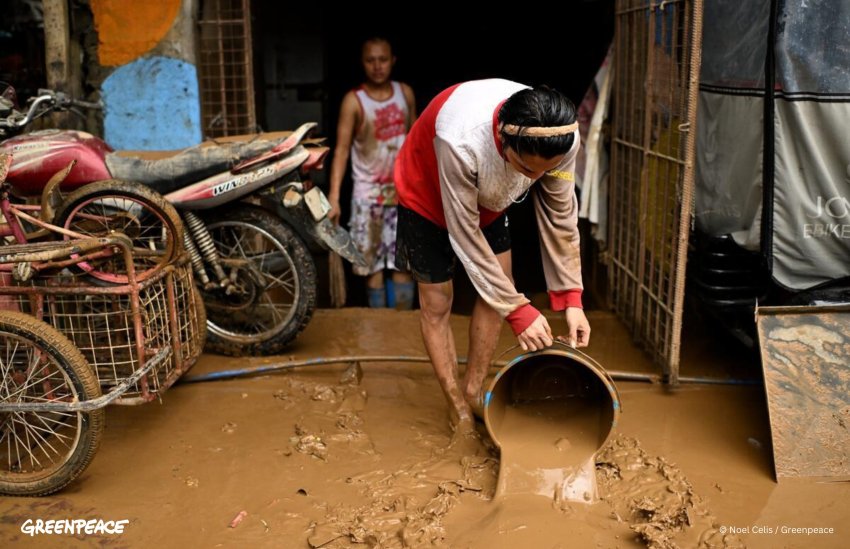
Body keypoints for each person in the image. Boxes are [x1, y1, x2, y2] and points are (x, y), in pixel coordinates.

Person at [393, 79, 591, 431]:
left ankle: (474, 389)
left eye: (546, 171)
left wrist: (571, 298)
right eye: (529, 170)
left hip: (492, 198)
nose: (537, 180)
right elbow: (464, 234)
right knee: (438, 302)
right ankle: (458, 408)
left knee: (502, 284)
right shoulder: (461, 139)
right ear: (502, 138)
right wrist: (517, 310)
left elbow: (561, 214)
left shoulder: (563, 137)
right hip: (426, 197)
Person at [328, 37, 417, 309]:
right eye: (370, 60)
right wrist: (334, 196)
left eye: (383, 59)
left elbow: (416, 144)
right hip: (367, 199)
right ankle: (380, 330)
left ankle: (401, 329)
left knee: (405, 265)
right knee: (372, 270)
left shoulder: (405, 94)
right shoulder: (354, 102)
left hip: (403, 195)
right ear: (362, 63)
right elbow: (341, 150)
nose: (377, 66)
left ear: (393, 61)